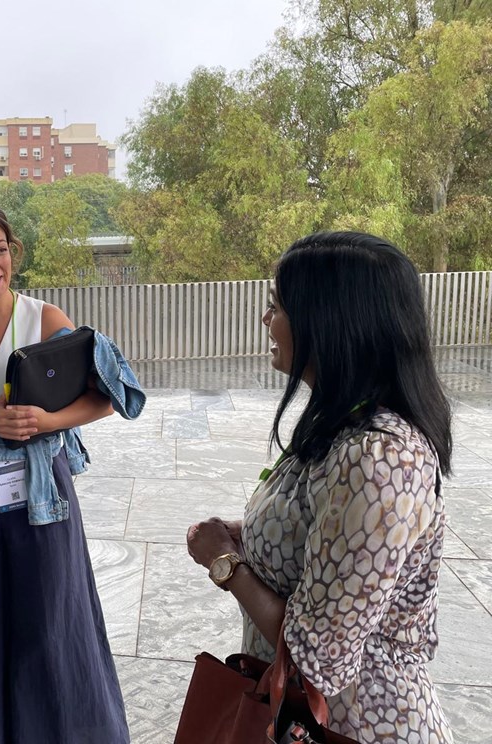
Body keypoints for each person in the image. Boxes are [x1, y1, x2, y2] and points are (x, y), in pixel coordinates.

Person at [187, 231, 453, 743]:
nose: (267, 320)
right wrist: (247, 531)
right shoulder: (341, 425)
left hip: (354, 725)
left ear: (332, 323)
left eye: (277, 307)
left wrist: (226, 563)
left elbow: (319, 656)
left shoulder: (380, 460)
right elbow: (324, 533)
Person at [0, 201, 130, 743]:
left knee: (54, 619)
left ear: (13, 253)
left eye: (1, 250)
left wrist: (47, 420)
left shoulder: (46, 319)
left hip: (42, 489)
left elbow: (102, 401)